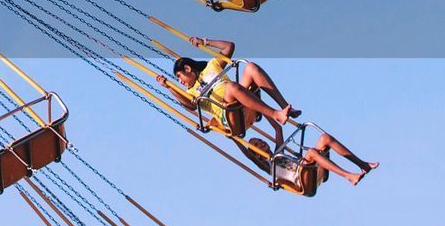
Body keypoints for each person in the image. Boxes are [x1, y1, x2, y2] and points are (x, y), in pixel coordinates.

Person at [160, 37, 299, 142]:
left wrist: (205, 42)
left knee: (250, 67)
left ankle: (285, 106)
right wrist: (169, 87)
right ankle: (275, 114)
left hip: (241, 101)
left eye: (179, 76)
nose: (180, 81)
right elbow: (190, 105)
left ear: (187, 69)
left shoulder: (212, 66)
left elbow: (229, 47)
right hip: (231, 116)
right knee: (232, 87)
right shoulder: (189, 93)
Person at [240, 126, 379, 186]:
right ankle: (348, 176)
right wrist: (232, 136)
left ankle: (363, 165)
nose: (261, 142)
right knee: (312, 152)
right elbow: (247, 154)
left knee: (325, 138)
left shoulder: (278, 152)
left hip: (309, 169)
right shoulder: (267, 165)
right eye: (257, 145)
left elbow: (278, 128)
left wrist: (269, 111)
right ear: (257, 156)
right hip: (303, 181)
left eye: (259, 140)